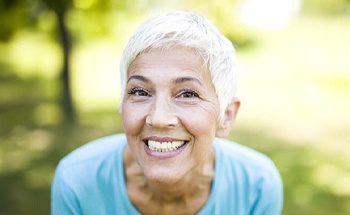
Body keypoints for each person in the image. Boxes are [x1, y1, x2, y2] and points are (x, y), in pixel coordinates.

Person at [51, 11, 283, 215]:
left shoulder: (257, 186)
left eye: (187, 94)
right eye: (141, 92)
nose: (159, 118)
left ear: (227, 116)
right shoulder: (77, 182)